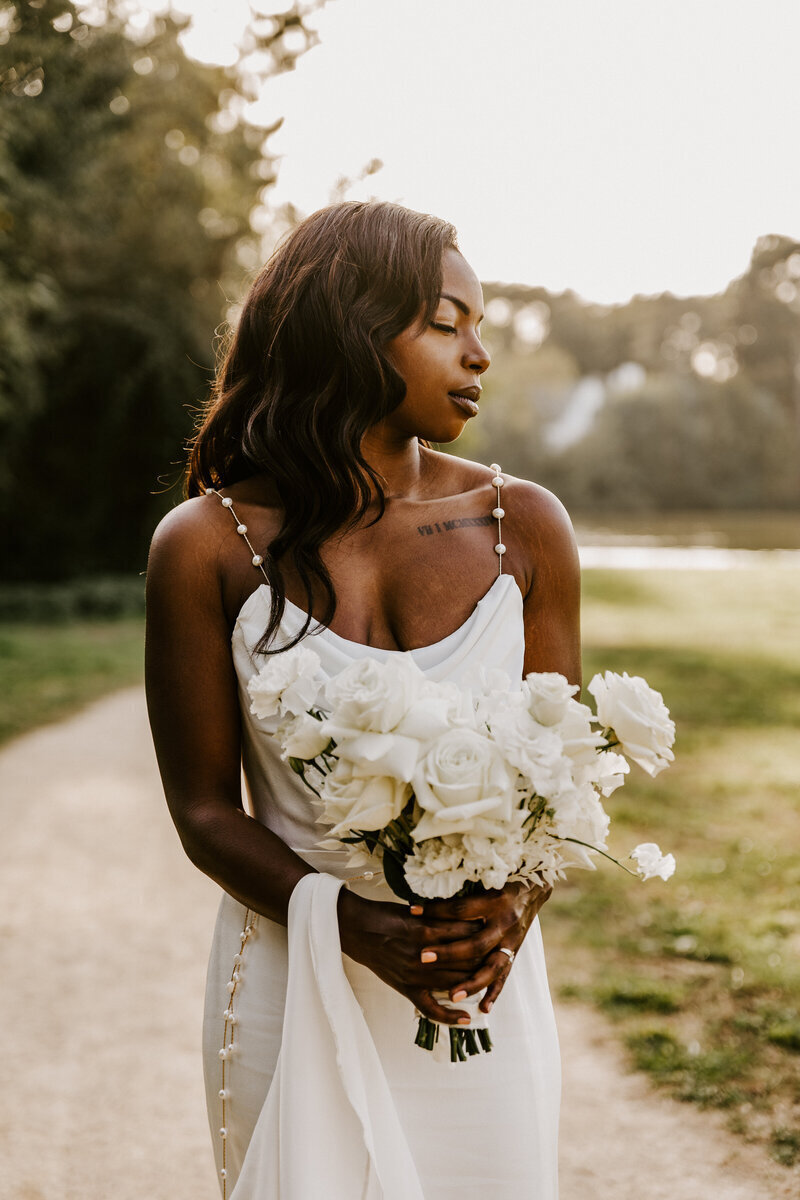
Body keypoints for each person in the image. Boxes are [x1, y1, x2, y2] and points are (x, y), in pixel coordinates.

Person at [145, 200, 581, 1199]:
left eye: (479, 325)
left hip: (480, 993)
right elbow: (205, 810)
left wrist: (509, 910)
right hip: (294, 974)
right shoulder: (207, 546)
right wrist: (350, 926)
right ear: (348, 321)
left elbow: (562, 777)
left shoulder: (525, 527)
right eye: (445, 322)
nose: (478, 356)